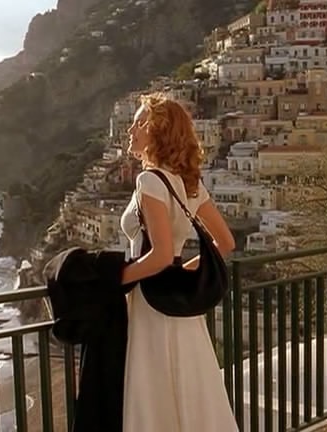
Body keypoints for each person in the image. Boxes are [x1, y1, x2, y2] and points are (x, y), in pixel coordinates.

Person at [120, 92, 239, 432]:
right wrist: (179, 272)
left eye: (139, 122)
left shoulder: (149, 181)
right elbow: (225, 243)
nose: (131, 130)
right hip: (181, 308)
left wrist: (116, 279)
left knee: (155, 390)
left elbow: (156, 254)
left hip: (151, 305)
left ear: (157, 130)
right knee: (191, 387)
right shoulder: (188, 184)